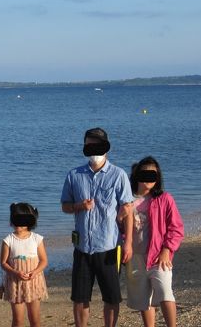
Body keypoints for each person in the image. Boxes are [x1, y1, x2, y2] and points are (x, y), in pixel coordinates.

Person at [60, 127, 134, 327]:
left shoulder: (118, 175)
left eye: (96, 145)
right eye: (88, 145)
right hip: (82, 247)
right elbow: (65, 206)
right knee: (80, 298)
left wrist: (128, 244)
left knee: (111, 297)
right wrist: (79, 206)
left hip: (109, 247)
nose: (92, 149)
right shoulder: (74, 175)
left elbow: (128, 208)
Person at [125, 156, 184, 327]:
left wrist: (167, 249)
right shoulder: (127, 200)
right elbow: (119, 229)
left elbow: (176, 228)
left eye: (154, 175)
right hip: (135, 258)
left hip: (159, 256)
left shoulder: (165, 199)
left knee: (166, 293)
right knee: (144, 300)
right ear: (137, 174)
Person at [0, 202, 48, 327]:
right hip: (15, 283)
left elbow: (43, 261)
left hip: (33, 282)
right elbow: (3, 263)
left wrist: (35, 272)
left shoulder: (36, 238)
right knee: (18, 320)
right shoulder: (8, 240)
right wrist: (16, 272)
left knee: (35, 319)